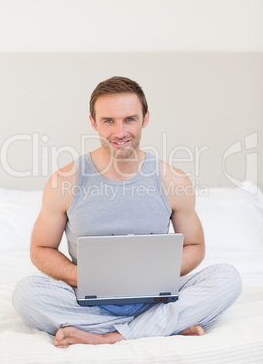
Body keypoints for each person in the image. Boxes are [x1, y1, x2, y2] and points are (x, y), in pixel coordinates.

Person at [12, 76, 242, 348]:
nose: (119, 132)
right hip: (89, 301)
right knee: (25, 294)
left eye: (129, 119)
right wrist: (81, 276)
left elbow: (194, 244)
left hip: (156, 299)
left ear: (145, 119)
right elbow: (40, 248)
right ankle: (158, 327)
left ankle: (107, 337)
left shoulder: (173, 180)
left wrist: (155, 275)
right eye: (109, 121)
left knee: (228, 278)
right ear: (93, 122)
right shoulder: (66, 180)